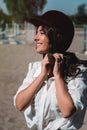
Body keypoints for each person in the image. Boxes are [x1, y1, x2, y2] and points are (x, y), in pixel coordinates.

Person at [14, 10, 87, 130]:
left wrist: (58, 77)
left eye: (41, 33)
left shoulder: (78, 71)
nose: (35, 38)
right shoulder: (35, 68)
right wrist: (42, 75)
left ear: (56, 36)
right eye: (36, 32)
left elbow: (67, 111)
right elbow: (19, 104)